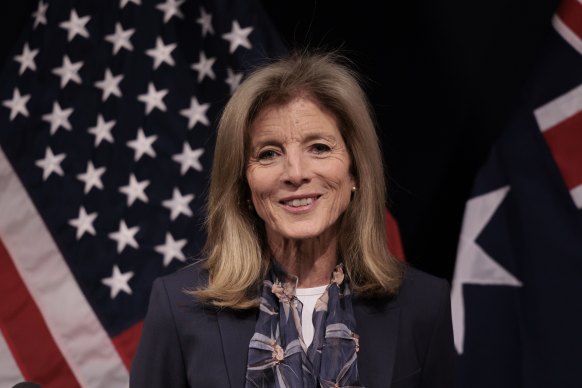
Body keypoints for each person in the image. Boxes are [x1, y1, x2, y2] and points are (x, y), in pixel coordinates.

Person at [130, 50, 456, 387]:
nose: (295, 173)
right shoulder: (178, 307)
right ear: (243, 181)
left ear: (355, 170)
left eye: (318, 147)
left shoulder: (423, 304)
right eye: (268, 154)